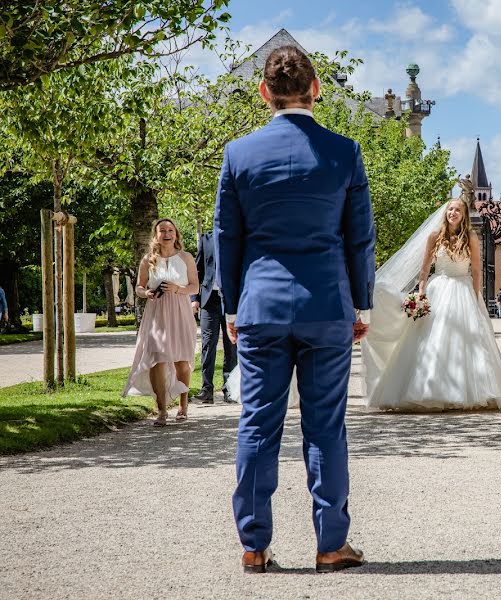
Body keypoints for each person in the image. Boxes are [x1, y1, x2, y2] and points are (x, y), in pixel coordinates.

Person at [216, 45, 374, 574]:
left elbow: (228, 237)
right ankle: (331, 543)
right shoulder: (344, 152)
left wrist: (233, 308)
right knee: (326, 425)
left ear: (264, 93)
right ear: (317, 89)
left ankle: (253, 544)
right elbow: (360, 240)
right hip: (328, 303)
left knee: (258, 424)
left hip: (260, 304)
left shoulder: (238, 154)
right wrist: (364, 304)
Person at [362, 199, 501, 411]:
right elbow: (424, 269)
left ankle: (467, 389)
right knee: (431, 339)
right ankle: (428, 389)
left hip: (463, 289)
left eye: (458, 210)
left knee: (467, 339)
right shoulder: (434, 236)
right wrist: (422, 293)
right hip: (439, 287)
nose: (453, 213)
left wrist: (475, 296)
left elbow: (476, 271)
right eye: (450, 209)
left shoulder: (471, 237)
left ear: (464, 215)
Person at [123, 219, 200, 425]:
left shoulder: (186, 257)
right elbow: (139, 287)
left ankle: (183, 407)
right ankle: (162, 410)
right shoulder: (148, 259)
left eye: (170, 230)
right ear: (155, 235)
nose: (167, 234)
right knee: (157, 360)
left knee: (182, 360)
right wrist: (146, 292)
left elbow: (195, 287)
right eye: (162, 231)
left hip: (180, 312)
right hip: (156, 314)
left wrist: (178, 289)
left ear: (176, 234)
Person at [190, 231, 237, 404]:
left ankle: (229, 389)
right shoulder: (206, 239)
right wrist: (194, 299)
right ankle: (206, 389)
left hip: (231, 301)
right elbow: (197, 270)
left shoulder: (236, 236)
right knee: (207, 344)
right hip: (209, 301)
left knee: (231, 346)